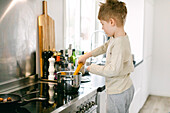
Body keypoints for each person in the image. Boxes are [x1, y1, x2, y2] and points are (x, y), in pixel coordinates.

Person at [78, 0, 135, 113]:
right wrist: (87, 55)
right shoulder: (119, 37)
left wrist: (91, 68)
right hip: (126, 88)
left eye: (103, 24)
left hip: (117, 93)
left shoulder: (118, 44)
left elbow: (112, 70)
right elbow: (105, 47)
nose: (102, 28)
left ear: (112, 22)